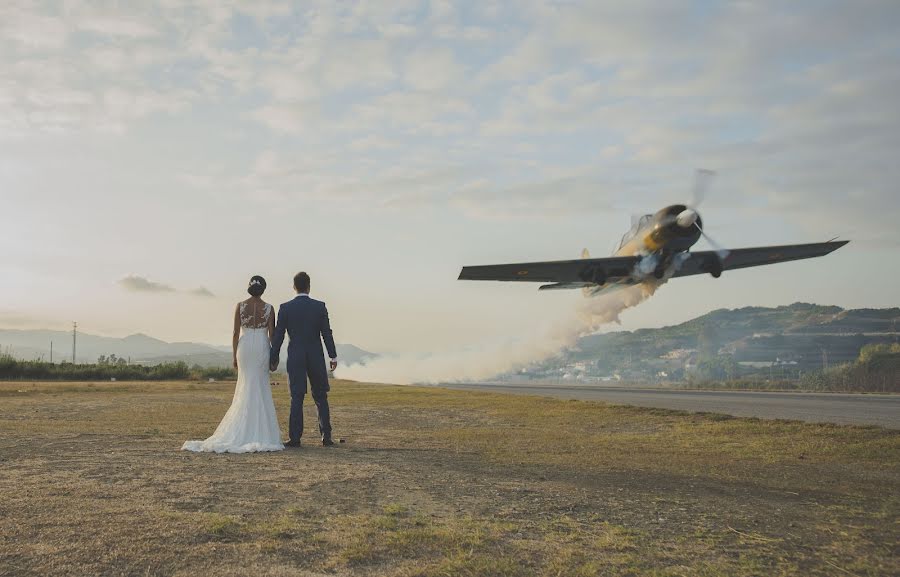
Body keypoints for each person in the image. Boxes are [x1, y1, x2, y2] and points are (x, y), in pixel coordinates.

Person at [182, 276, 283, 453]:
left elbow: (236, 332)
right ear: (263, 289)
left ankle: (242, 429)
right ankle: (261, 430)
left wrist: (234, 356)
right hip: (261, 347)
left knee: (245, 386)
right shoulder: (269, 308)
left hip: (244, 348)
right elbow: (272, 335)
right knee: (260, 386)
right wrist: (274, 356)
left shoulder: (240, 306)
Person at [270, 271, 338, 447]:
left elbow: (278, 336)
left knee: (296, 397)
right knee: (321, 396)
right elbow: (326, 333)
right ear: (309, 286)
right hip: (315, 355)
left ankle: (295, 438)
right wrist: (333, 355)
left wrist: (273, 357)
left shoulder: (285, 308)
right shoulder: (320, 306)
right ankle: (326, 436)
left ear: (294, 287)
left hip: (295, 356)